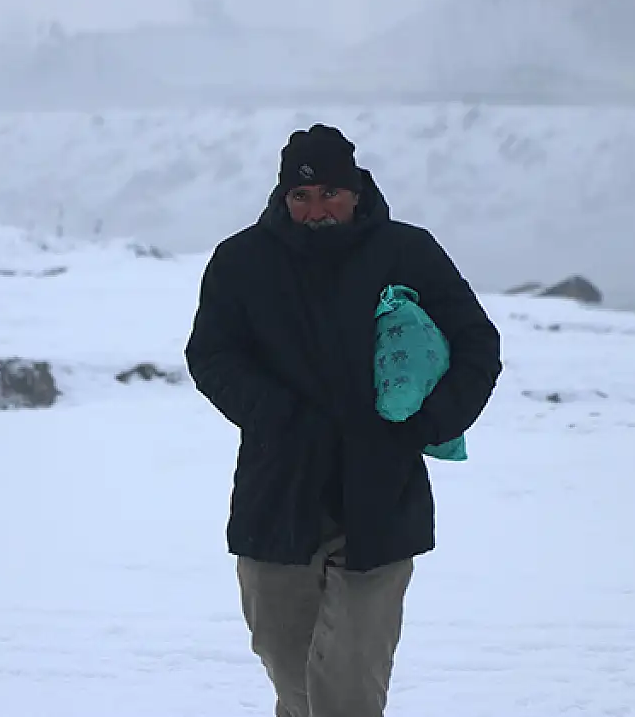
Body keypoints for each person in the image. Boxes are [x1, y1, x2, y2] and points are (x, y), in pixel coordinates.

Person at [184, 123, 503, 717]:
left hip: (379, 495)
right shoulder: (242, 261)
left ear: (357, 191)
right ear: (283, 199)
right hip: (277, 493)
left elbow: (476, 343)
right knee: (289, 671)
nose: (316, 209)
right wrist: (274, 414)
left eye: (330, 193)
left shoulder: (408, 252)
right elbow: (210, 353)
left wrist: (424, 423)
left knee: (349, 694)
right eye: (301, 197)